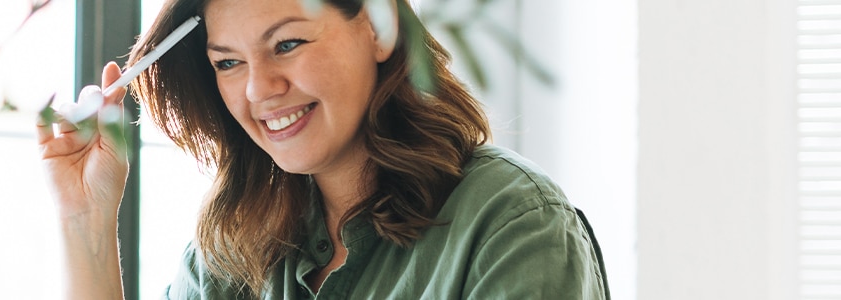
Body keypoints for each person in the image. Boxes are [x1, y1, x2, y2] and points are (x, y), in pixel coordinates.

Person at [37, 0, 609, 298]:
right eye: (228, 62)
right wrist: (84, 215)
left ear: (379, 30)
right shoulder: (232, 248)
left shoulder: (512, 221)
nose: (259, 88)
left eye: (287, 43)